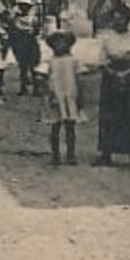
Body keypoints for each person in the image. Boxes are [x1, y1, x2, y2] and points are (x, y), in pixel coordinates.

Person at [95, 4, 130, 166]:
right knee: (110, 115)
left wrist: (126, 74)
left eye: (121, 19)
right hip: (110, 79)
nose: (118, 22)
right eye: (115, 19)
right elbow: (102, 61)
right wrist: (114, 74)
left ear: (128, 20)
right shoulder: (106, 39)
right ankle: (106, 153)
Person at [44, 29, 81, 165]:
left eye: (63, 42)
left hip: (70, 96)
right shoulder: (50, 61)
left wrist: (80, 96)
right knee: (55, 127)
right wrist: (48, 94)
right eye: (57, 43)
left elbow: (79, 79)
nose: (60, 46)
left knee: (70, 127)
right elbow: (45, 79)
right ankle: (55, 155)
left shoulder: (74, 61)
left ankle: (71, 154)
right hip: (55, 97)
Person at [8, 0, 42, 96]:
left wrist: (32, 32)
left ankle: (36, 89)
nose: (24, 8)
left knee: (34, 68)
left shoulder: (34, 19)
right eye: (22, 6)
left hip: (32, 45)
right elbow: (15, 29)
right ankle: (23, 88)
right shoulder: (16, 19)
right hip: (21, 46)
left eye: (26, 6)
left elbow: (37, 30)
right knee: (23, 67)